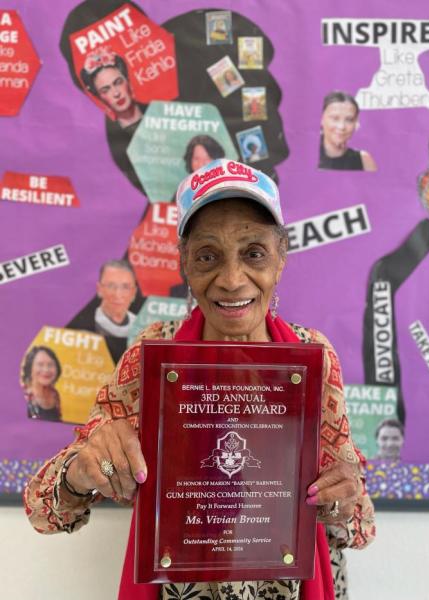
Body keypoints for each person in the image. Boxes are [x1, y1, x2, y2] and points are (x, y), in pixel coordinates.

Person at [24, 160, 375, 600]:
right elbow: (42, 510)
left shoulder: (314, 360)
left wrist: (343, 500)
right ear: (184, 264)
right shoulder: (151, 358)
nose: (231, 280)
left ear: (281, 258)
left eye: (254, 253)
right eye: (208, 255)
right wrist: (83, 470)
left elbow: (359, 528)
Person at [80, 48, 143, 129]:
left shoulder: (158, 111)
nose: (116, 93)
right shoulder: (110, 137)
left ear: (127, 80)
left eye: (118, 82)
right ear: (99, 97)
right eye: (105, 90)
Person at [318, 91, 377, 172]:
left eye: (349, 120)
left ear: (356, 123)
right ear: (321, 119)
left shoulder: (364, 161)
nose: (342, 126)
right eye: (335, 118)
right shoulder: (304, 156)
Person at [95, 259, 137, 338]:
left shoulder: (142, 327)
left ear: (133, 292)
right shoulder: (84, 324)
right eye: (110, 286)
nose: (118, 294)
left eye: (125, 287)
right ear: (99, 289)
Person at [21, 346, 62, 422]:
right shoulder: (23, 395)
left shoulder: (55, 395)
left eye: (50, 365)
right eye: (40, 364)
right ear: (30, 368)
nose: (46, 370)